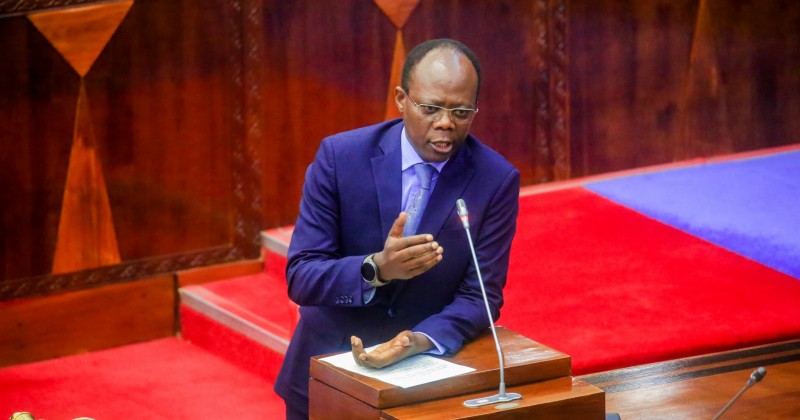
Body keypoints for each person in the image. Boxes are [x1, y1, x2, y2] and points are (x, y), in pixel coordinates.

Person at [274, 38, 520, 419]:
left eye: (461, 112)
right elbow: (302, 275)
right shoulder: (341, 158)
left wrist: (417, 341)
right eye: (431, 108)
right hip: (327, 375)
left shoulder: (495, 179)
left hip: (422, 383)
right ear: (401, 99)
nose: (445, 123)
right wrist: (376, 269)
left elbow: (481, 296)